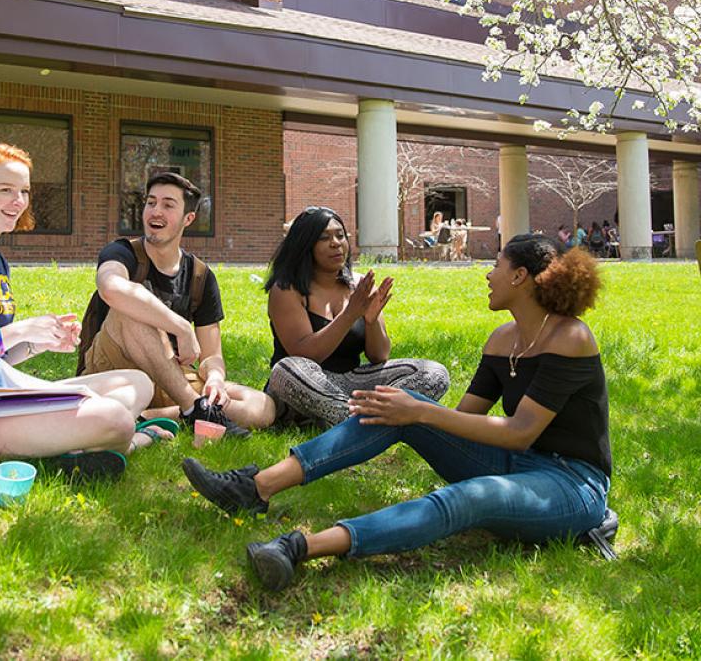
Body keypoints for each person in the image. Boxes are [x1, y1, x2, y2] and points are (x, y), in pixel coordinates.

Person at [183, 234, 610, 592]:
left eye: (496, 265)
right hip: (512, 463)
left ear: (519, 276)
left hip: (570, 483)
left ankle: (298, 547)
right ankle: (254, 487)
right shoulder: (502, 339)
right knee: (396, 408)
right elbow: (462, 419)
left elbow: (519, 431)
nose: (487, 274)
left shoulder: (570, 337)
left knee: (464, 497)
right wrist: (411, 411)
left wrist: (421, 413)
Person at [0, 143, 163, 477]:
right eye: (5, 190)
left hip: (0, 389)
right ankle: (127, 440)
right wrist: (18, 330)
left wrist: (37, 344)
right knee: (114, 418)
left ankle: (74, 445)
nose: (18, 201)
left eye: (24, 191)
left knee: (138, 383)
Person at [80, 172, 276, 437]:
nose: (155, 212)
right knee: (132, 308)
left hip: (168, 376)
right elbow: (111, 288)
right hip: (113, 370)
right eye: (151, 203)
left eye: (168, 205)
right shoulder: (122, 253)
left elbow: (211, 355)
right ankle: (193, 410)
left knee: (261, 406)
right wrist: (182, 327)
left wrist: (216, 377)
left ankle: (144, 417)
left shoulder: (200, 275)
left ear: (189, 218)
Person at [264, 206, 449, 429]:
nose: (336, 243)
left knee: (433, 373)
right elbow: (305, 354)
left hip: (351, 381)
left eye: (340, 235)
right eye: (324, 238)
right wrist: (350, 314)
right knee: (286, 369)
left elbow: (379, 355)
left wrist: (371, 321)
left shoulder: (358, 285)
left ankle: (349, 417)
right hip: (304, 383)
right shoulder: (286, 289)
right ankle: (361, 420)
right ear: (305, 245)